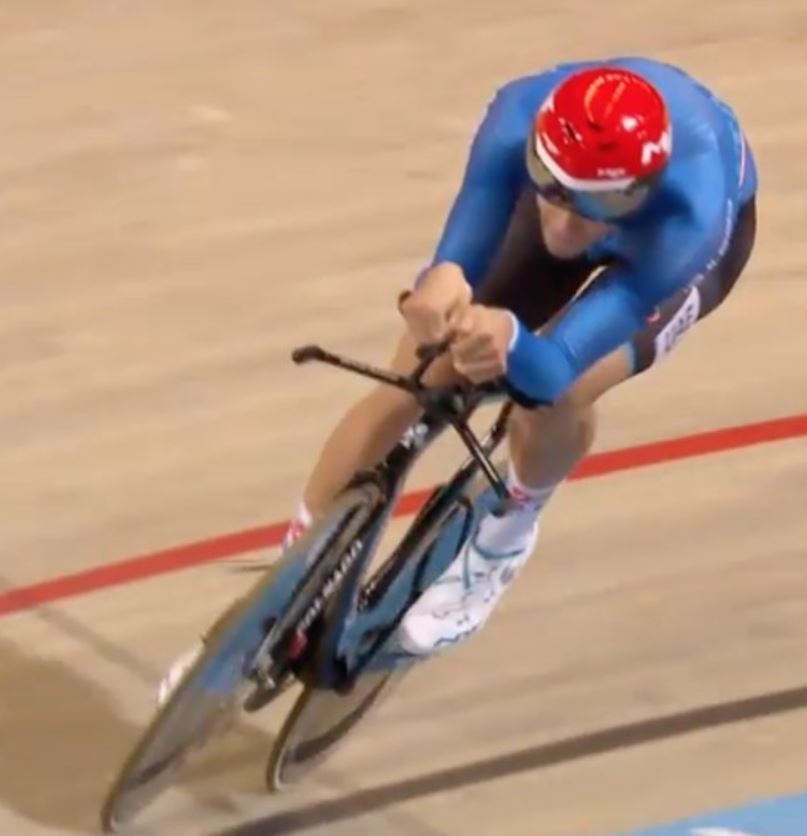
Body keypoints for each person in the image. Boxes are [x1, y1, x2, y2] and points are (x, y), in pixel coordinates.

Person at [157, 56, 759, 702]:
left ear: (633, 193)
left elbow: (552, 366)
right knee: (415, 377)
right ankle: (276, 601)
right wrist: (441, 281)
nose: (563, 226)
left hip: (664, 256)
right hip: (591, 183)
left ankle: (509, 530)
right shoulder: (517, 117)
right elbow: (457, 260)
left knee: (556, 394)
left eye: (592, 207)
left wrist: (512, 339)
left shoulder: (689, 224)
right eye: (552, 191)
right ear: (537, 154)